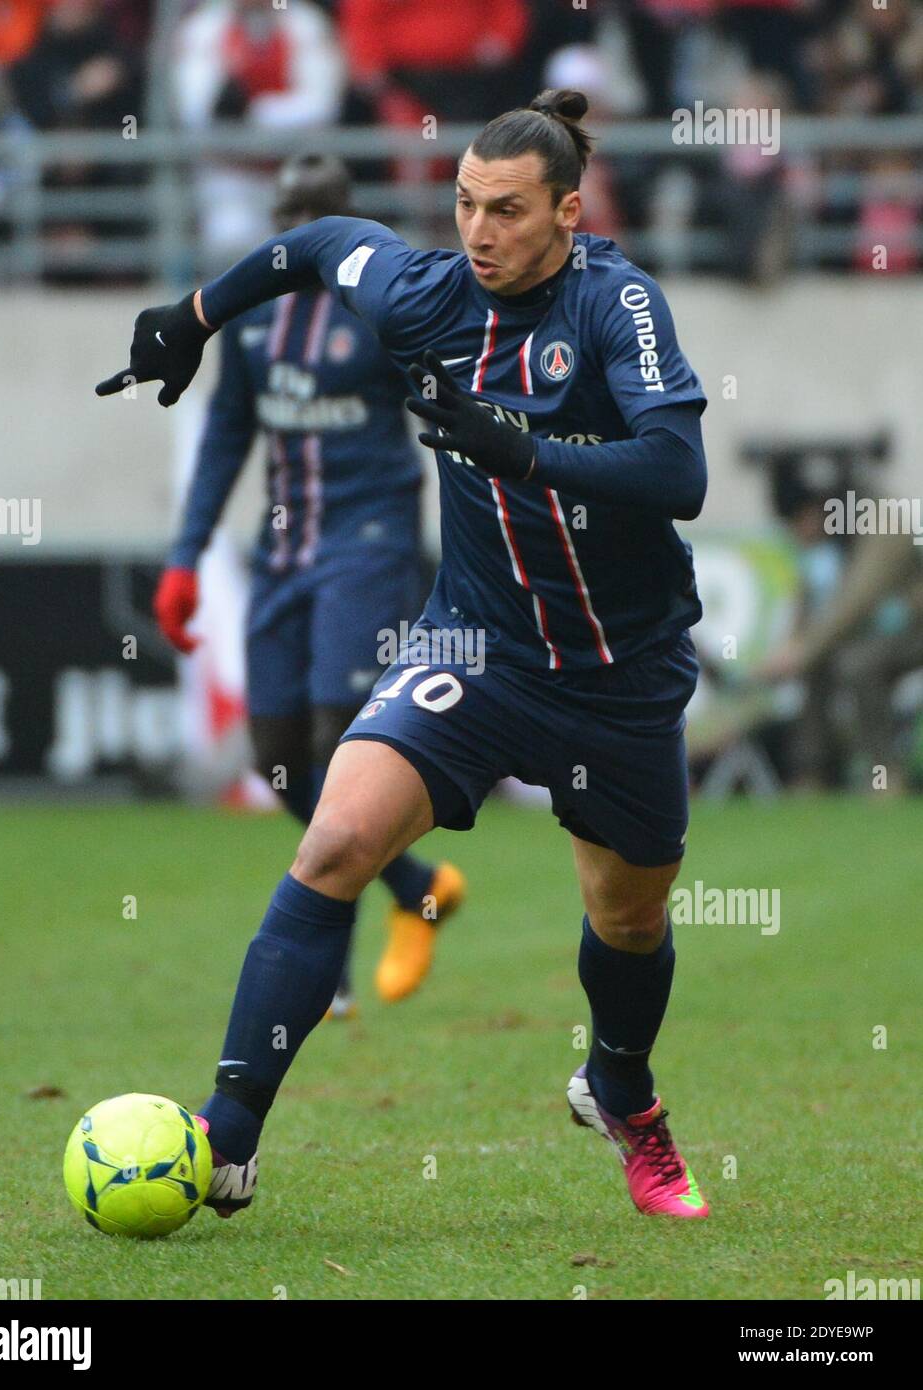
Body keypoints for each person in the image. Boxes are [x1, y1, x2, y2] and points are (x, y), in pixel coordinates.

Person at [98, 88, 711, 1220]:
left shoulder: (618, 303)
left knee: (627, 919)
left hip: (621, 674)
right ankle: (225, 1138)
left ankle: (619, 1088)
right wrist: (193, 311)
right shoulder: (426, 293)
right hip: (476, 649)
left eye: (510, 211)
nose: (480, 232)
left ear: (567, 213)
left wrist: (519, 450)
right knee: (334, 836)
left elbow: (677, 473)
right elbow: (320, 244)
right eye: (466, 205)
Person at [153, 153, 466, 1017]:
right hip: (285, 549)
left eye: (311, 211)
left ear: (340, 217)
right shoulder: (252, 325)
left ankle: (325, 965)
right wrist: (185, 555)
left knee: (340, 743)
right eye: (284, 208)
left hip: (369, 543)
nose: (293, 224)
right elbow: (224, 437)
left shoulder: (383, 312)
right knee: (276, 757)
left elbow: (450, 417)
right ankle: (416, 887)